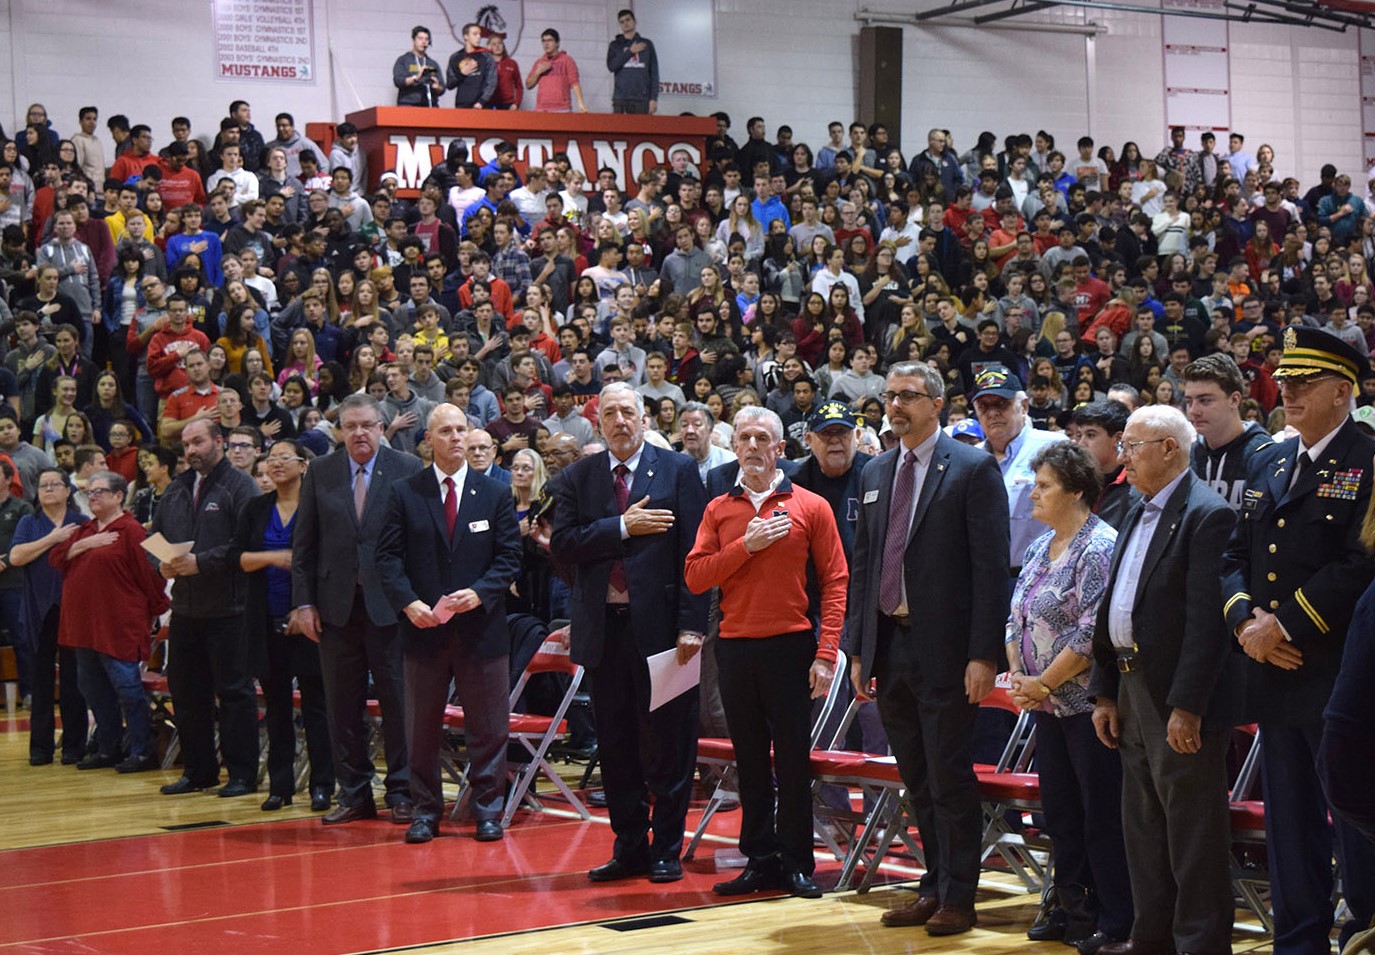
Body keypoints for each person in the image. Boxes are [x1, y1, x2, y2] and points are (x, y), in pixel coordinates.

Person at [1220, 327, 1375, 955]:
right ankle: (1299, 941)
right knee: (1289, 822)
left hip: (1339, 671)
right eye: (1283, 381)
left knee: (1356, 813)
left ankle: (1362, 932)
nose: (1286, 391)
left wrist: (1282, 623)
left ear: (1343, 391)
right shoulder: (1271, 459)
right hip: (1272, 669)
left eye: (1303, 383)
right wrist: (1244, 624)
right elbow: (1235, 553)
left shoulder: (1369, 459)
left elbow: (1362, 562)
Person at [847, 362, 1011, 936]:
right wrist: (859, 648)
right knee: (915, 777)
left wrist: (984, 655)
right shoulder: (874, 469)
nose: (895, 406)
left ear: (938, 403)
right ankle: (931, 885)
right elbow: (865, 564)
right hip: (890, 645)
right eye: (889, 396)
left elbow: (992, 571)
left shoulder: (971, 468)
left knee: (949, 776)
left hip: (947, 650)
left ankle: (959, 897)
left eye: (908, 396)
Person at [1090, 405, 1238, 955]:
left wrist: (1187, 705)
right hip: (1129, 681)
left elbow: (1207, 624)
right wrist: (1105, 688)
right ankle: (1150, 936)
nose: (1122, 457)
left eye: (1132, 446)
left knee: (1192, 829)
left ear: (1170, 449)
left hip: (1175, 693)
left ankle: (1200, 944)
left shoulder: (1208, 513)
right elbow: (1115, 604)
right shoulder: (1132, 505)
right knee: (1144, 823)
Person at [684, 406, 847, 900]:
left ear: (781, 448)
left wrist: (826, 653)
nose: (752, 446)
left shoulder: (812, 506)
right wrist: (746, 546)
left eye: (763, 438)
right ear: (733, 447)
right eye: (744, 438)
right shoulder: (718, 509)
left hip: (791, 647)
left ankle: (798, 863)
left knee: (794, 761)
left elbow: (836, 581)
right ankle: (759, 860)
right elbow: (696, 577)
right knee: (750, 761)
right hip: (734, 649)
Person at [549, 382, 709, 884]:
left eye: (628, 412)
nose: (620, 421)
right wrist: (621, 526)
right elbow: (563, 545)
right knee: (616, 746)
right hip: (604, 632)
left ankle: (666, 849)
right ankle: (629, 847)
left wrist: (692, 624)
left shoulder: (679, 470)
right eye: (610, 413)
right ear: (598, 422)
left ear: (644, 419)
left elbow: (697, 552)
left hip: (665, 633)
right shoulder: (579, 476)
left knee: (669, 744)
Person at [376, 403, 522, 843]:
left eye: (462, 429)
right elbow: (386, 558)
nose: (457, 438)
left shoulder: (495, 492)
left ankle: (488, 809)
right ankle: (425, 810)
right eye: (446, 431)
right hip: (423, 630)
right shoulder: (406, 492)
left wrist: (481, 592)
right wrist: (407, 603)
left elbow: (510, 557)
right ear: (429, 440)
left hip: (481, 630)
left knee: (489, 726)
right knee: (421, 727)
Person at [1005, 443, 1131, 953]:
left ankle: (1111, 914)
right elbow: (1015, 616)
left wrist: (1043, 683)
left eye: (1045, 485)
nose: (1033, 493)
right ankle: (1070, 903)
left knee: (1098, 811)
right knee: (1059, 811)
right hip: (1044, 705)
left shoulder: (1099, 546)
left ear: (1077, 491)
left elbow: (1090, 633)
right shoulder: (1039, 546)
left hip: (1085, 704)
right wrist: (1018, 677)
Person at [290, 394, 423, 825]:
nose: (359, 433)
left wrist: (415, 600)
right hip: (334, 607)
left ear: (382, 428)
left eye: (367, 425)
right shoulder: (321, 471)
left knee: (399, 703)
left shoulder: (407, 468)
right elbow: (304, 545)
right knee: (341, 705)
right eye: (350, 427)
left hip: (392, 607)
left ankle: (402, 792)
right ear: (340, 430)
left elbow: (419, 540)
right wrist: (304, 602)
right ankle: (354, 794)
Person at [151, 418, 261, 797]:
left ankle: (243, 774)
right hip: (185, 608)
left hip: (230, 609)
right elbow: (157, 536)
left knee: (234, 694)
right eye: (186, 444)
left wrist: (202, 561)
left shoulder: (240, 486)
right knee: (186, 692)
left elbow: (246, 545)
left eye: (197, 441)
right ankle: (199, 771)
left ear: (219, 441)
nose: (191, 450)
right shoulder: (178, 488)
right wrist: (161, 562)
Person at [48, 471, 169, 772]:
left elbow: (149, 576)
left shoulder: (132, 531)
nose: (93, 496)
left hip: (118, 624)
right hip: (83, 625)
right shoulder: (85, 529)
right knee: (92, 689)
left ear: (119, 496)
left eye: (101, 491)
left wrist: (156, 609)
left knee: (127, 688)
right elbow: (56, 558)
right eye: (90, 492)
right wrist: (86, 545)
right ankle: (108, 747)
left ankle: (142, 752)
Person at [237, 441, 334, 812]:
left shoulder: (319, 507)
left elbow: (325, 566)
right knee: (276, 707)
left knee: (316, 707)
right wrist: (272, 557)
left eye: (283, 458)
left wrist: (303, 607)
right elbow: (239, 558)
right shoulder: (256, 507)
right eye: (270, 459)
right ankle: (280, 785)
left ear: (304, 465)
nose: (275, 464)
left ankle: (323, 783)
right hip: (264, 619)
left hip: (310, 621)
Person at [8, 469, 87, 765]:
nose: (48, 489)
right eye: (43, 486)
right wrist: (53, 539)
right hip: (37, 610)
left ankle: (74, 747)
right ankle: (40, 749)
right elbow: (16, 557)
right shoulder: (30, 521)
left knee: (73, 680)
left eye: (55, 484)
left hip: (73, 610)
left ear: (68, 490)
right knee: (40, 681)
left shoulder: (81, 523)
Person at [971, 365, 1066, 571]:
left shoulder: (1054, 447)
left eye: (1001, 404)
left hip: (1043, 574)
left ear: (1023, 406)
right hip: (984, 576)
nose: (993, 413)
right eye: (984, 407)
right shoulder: (971, 458)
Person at [1183, 353, 1273, 511]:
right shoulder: (1190, 455)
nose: (1193, 411)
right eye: (1189, 402)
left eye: (1204, 400)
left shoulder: (1264, 454)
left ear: (1234, 400)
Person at [607, 9, 659, 114]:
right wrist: (630, 52)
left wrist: (653, 98)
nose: (625, 23)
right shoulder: (615, 45)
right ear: (620, 25)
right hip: (621, 99)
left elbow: (654, 73)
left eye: (628, 20)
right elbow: (611, 66)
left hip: (642, 99)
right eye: (622, 22)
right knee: (619, 129)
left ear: (635, 21)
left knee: (642, 129)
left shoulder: (647, 44)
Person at [526, 29, 588, 113]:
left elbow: (574, 83)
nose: (546, 44)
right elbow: (528, 85)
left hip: (562, 109)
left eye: (549, 40)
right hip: (541, 109)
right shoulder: (540, 62)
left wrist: (581, 104)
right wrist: (538, 72)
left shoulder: (567, 60)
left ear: (557, 43)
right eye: (543, 41)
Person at [446, 22, 497, 109]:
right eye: (475, 34)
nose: (479, 37)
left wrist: (481, 101)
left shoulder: (486, 56)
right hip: (461, 105)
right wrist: (462, 73)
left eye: (479, 34)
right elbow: (450, 84)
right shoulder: (455, 57)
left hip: (482, 106)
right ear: (466, 36)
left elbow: (492, 81)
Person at [394, 25, 446, 107]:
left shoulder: (432, 63)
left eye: (426, 39)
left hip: (430, 105)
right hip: (408, 105)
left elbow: (442, 88)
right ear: (414, 40)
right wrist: (416, 78)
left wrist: (437, 87)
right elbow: (398, 81)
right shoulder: (403, 60)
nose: (423, 42)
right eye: (420, 38)